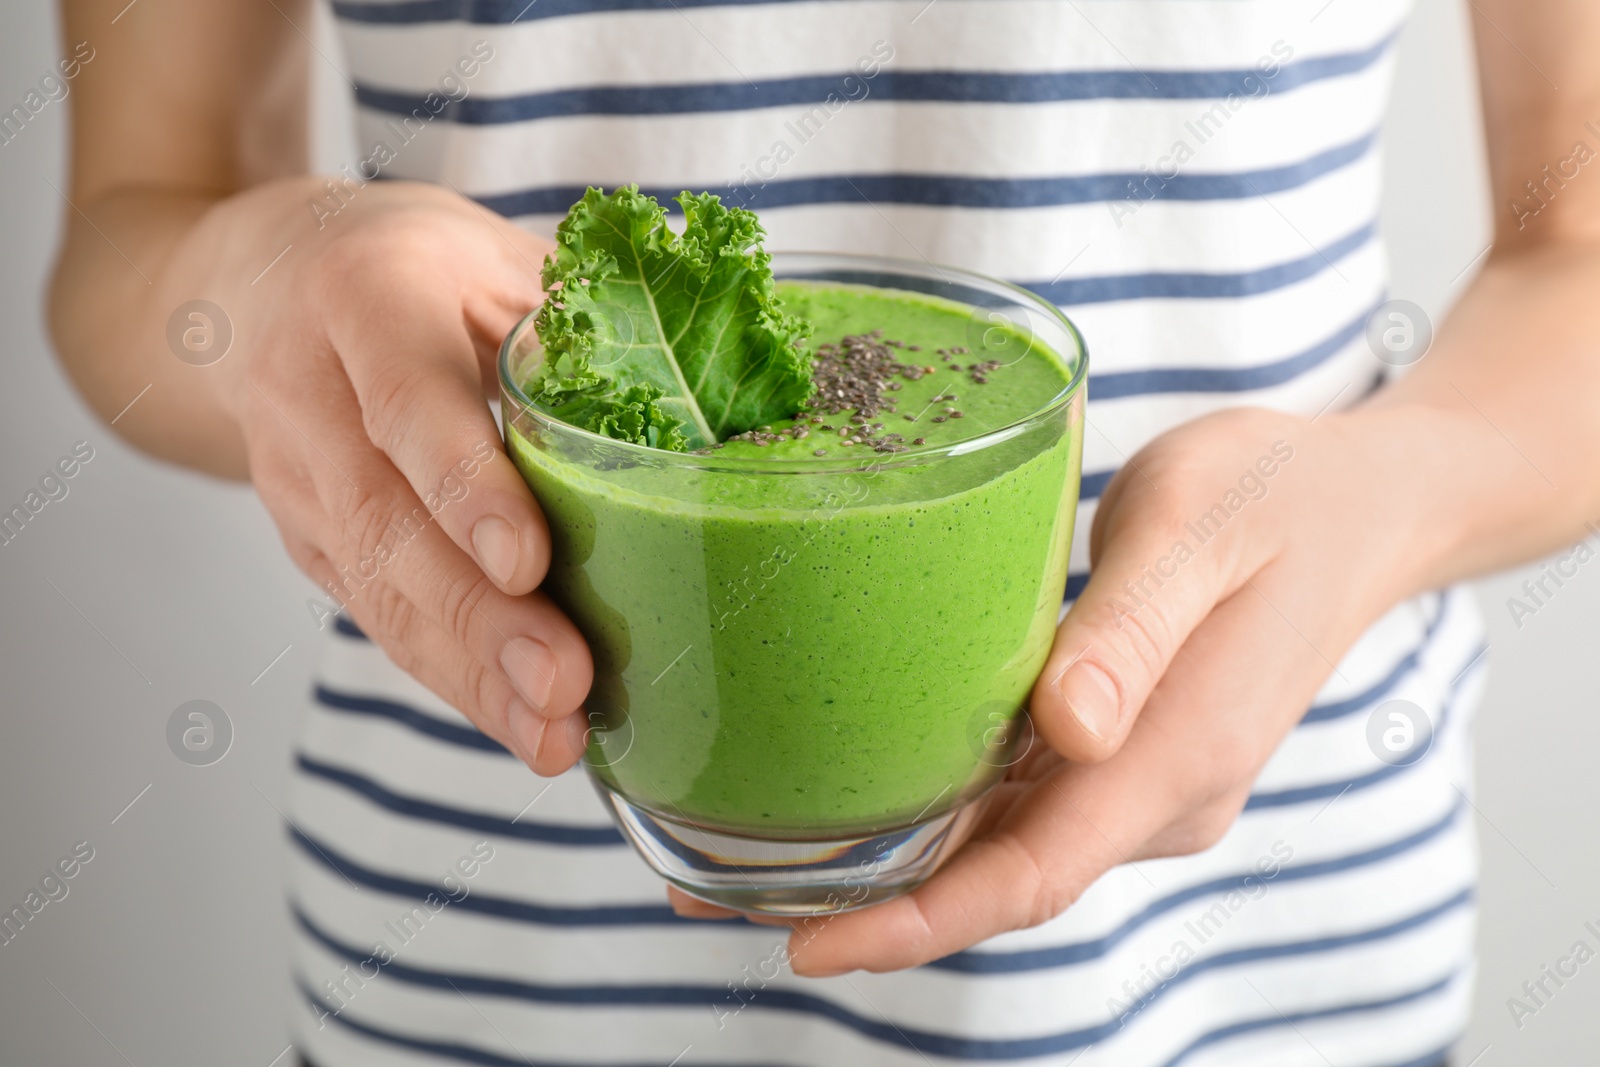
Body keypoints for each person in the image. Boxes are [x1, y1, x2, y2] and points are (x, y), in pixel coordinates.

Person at [48, 0, 1599, 1063]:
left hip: (1248, 970)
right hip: (484, 961)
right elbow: (137, 220)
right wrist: (273, 281)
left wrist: (1388, 498)